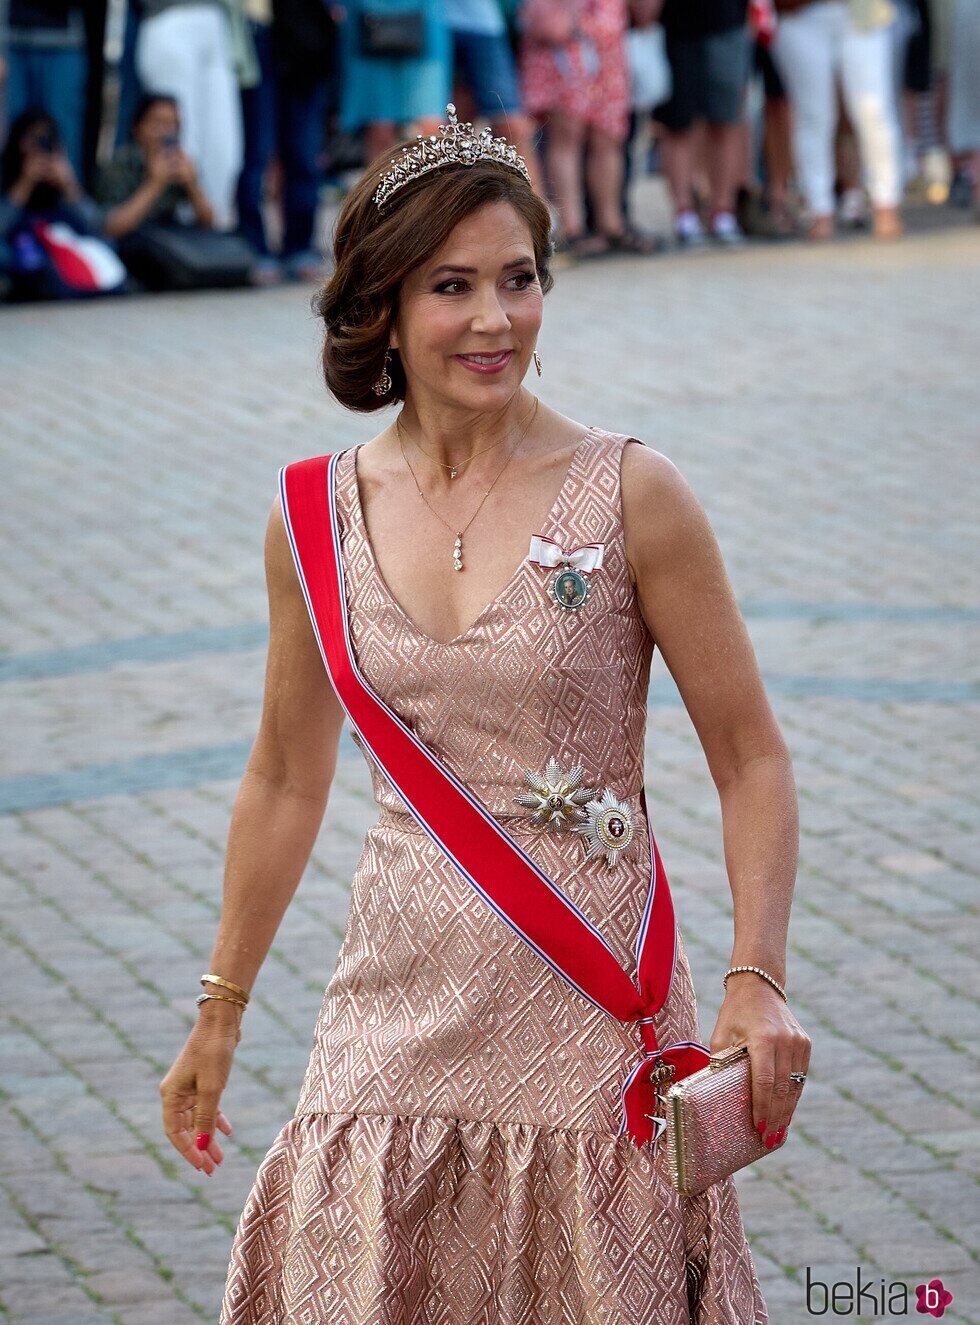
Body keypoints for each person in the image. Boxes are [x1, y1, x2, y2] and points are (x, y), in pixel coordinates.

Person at [159, 103, 809, 1323]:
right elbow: (285, 776)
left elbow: (751, 757)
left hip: (591, 1021)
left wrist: (755, 976)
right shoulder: (312, 516)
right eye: (451, 286)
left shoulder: (633, 494)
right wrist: (220, 1006)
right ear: (384, 311)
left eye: (518, 279)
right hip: (387, 1017)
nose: (493, 319)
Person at [518, 0, 660, 255]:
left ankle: (611, 223)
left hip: (607, 46)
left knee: (608, 137)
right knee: (566, 136)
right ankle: (571, 228)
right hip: (566, 42)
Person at [770, 0, 904, 240]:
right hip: (799, 13)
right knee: (813, 116)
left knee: (872, 109)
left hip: (860, 11)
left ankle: (886, 202)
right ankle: (819, 209)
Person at [235, 0, 337, 283]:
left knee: (304, 152)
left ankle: (300, 245)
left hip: (304, 32)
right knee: (255, 150)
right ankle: (253, 246)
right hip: (255, 30)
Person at [134, 0, 247, 228]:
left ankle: (211, 246)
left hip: (217, 21)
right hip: (168, 16)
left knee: (225, 153)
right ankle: (169, 243)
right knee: (178, 143)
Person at [653, 0, 754, 246]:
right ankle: (684, 213)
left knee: (726, 122)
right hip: (676, 27)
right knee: (678, 124)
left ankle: (723, 212)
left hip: (727, 21)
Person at [0, 108, 127, 298]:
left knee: (107, 245)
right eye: (33, 139)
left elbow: (96, 226)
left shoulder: (62, 179)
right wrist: (24, 184)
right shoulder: (7, 173)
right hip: (22, 245)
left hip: (60, 242)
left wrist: (69, 186)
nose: (40, 146)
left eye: (47, 139)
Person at [96, 92, 215, 239]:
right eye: (158, 123)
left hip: (166, 245)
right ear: (137, 127)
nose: (166, 132)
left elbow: (209, 222)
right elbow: (110, 229)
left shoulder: (179, 162)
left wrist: (192, 185)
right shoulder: (120, 164)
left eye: (173, 125)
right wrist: (154, 184)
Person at [2, 0, 88, 178]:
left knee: (63, 132)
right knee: (15, 132)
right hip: (12, 40)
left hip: (63, 40)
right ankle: (11, 197)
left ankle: (68, 200)